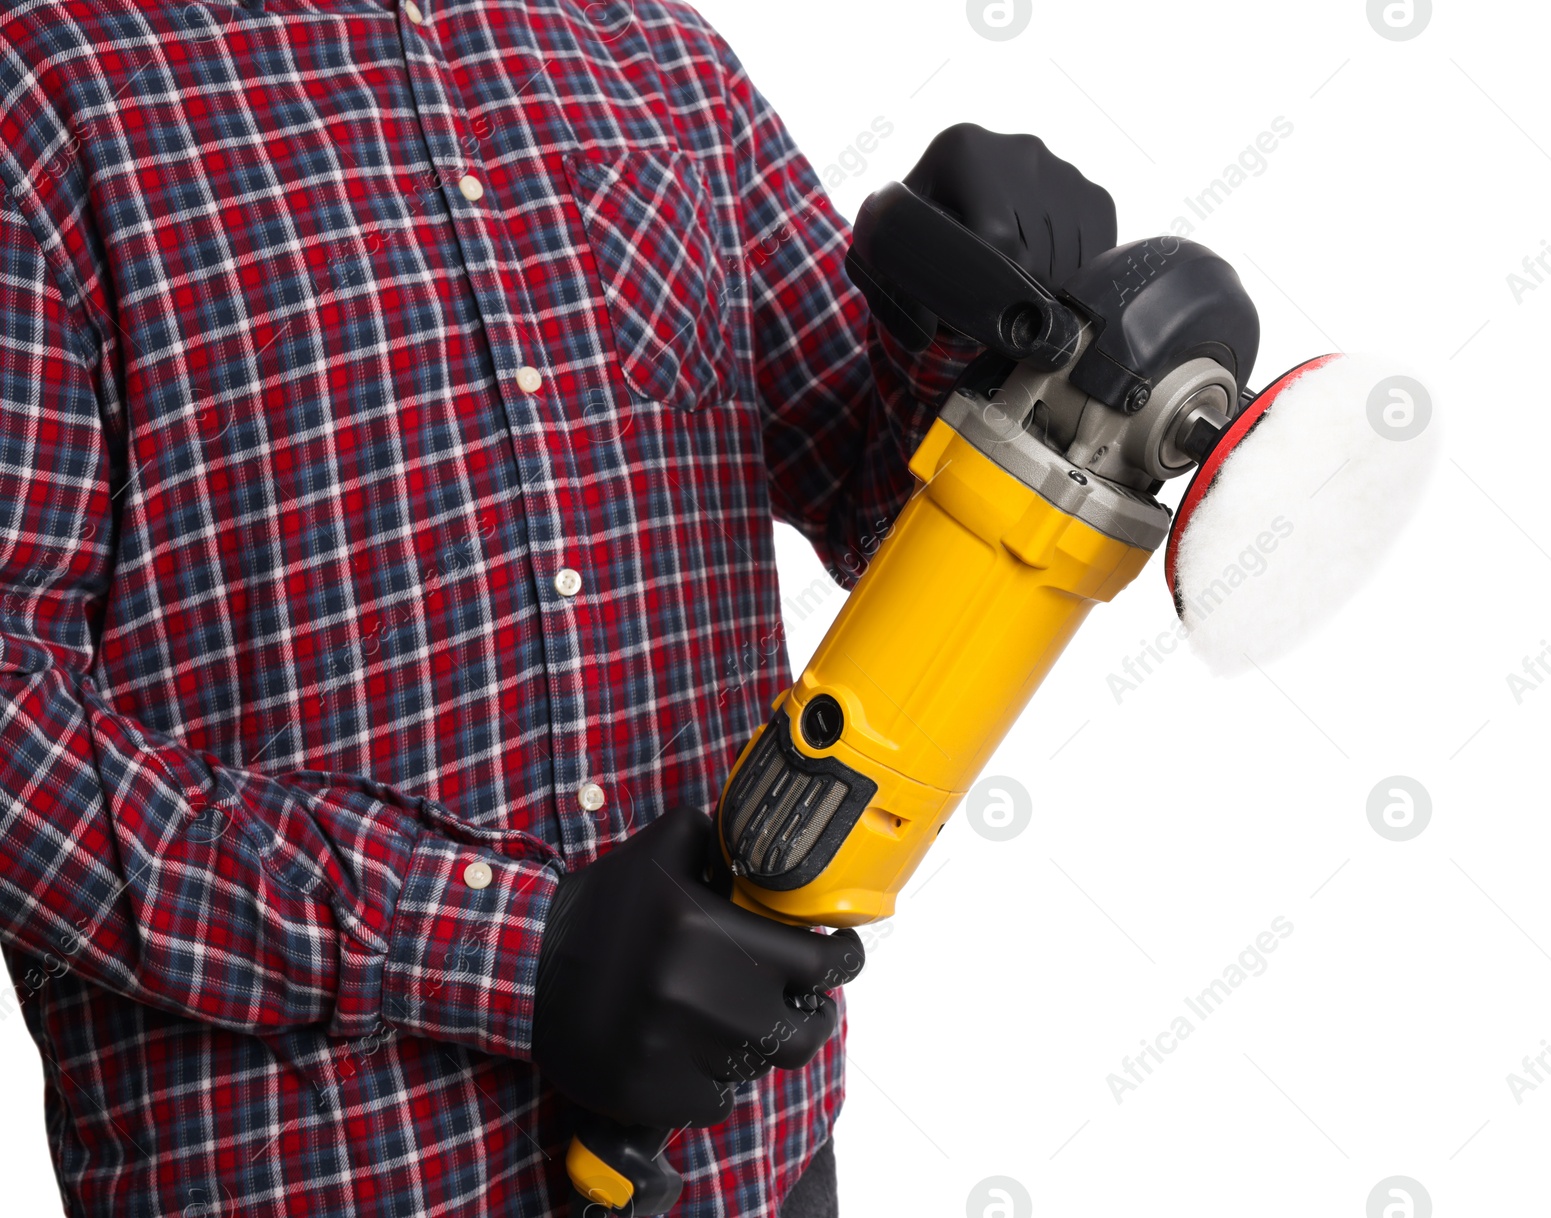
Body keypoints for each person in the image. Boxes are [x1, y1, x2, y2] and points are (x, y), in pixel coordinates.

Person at [0, 2, 1113, 1213]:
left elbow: (874, 501)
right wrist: (504, 951)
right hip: (331, 1179)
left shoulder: (652, 52)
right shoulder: (48, 92)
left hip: (745, 1162)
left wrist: (966, 334)